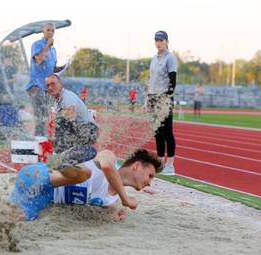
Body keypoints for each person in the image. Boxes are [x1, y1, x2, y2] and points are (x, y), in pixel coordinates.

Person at [10, 149, 163, 221]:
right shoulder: (109, 158)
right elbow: (107, 167)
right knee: (85, 173)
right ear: (136, 166)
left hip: (42, 198)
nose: (149, 182)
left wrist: (114, 214)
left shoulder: (110, 201)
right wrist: (126, 199)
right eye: (150, 175)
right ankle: (62, 158)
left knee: (9, 220)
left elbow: (100, 210)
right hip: (39, 176)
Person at [147, 30, 178, 176]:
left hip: (164, 98)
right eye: (156, 40)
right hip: (153, 97)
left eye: (161, 40)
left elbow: (172, 81)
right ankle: (159, 163)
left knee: (167, 132)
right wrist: (148, 98)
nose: (158, 43)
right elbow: (151, 79)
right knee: (157, 132)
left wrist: (166, 98)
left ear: (166, 41)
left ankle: (170, 165)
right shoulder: (154, 58)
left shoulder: (170, 58)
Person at [45, 74, 98, 158]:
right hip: (78, 130)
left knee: (60, 122)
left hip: (88, 130)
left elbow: (70, 116)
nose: (50, 88)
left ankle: (59, 157)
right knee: (56, 130)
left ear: (60, 84)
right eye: (48, 85)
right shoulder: (57, 102)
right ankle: (64, 156)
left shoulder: (67, 96)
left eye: (53, 84)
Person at [27, 23, 65, 136]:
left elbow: (52, 68)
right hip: (36, 86)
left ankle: (41, 142)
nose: (50, 32)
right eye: (48, 30)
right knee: (41, 117)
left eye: (53, 31)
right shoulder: (37, 45)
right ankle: (38, 143)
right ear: (43, 32)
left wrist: (63, 68)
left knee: (45, 117)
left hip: (47, 88)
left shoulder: (53, 50)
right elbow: (38, 60)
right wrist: (47, 45)